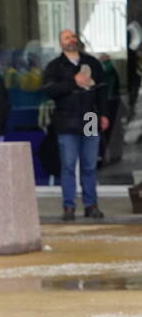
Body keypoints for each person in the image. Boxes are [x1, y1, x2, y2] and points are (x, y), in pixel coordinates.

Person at [43, 29, 109, 220]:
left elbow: (102, 91)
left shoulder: (92, 63)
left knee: (89, 165)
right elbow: (49, 90)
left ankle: (91, 205)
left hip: (90, 117)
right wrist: (73, 81)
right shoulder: (55, 66)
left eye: (72, 36)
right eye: (66, 37)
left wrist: (104, 114)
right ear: (60, 43)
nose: (71, 40)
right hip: (66, 120)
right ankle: (68, 206)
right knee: (68, 166)